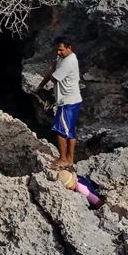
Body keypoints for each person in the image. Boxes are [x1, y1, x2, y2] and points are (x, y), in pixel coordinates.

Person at [36, 37, 81, 169]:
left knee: (60, 130)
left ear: (69, 48)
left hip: (67, 102)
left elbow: (54, 78)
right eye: (57, 50)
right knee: (69, 130)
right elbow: (51, 73)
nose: (58, 52)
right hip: (73, 100)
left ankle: (63, 159)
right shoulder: (63, 57)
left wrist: (53, 67)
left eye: (61, 50)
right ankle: (70, 160)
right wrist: (41, 85)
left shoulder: (68, 62)